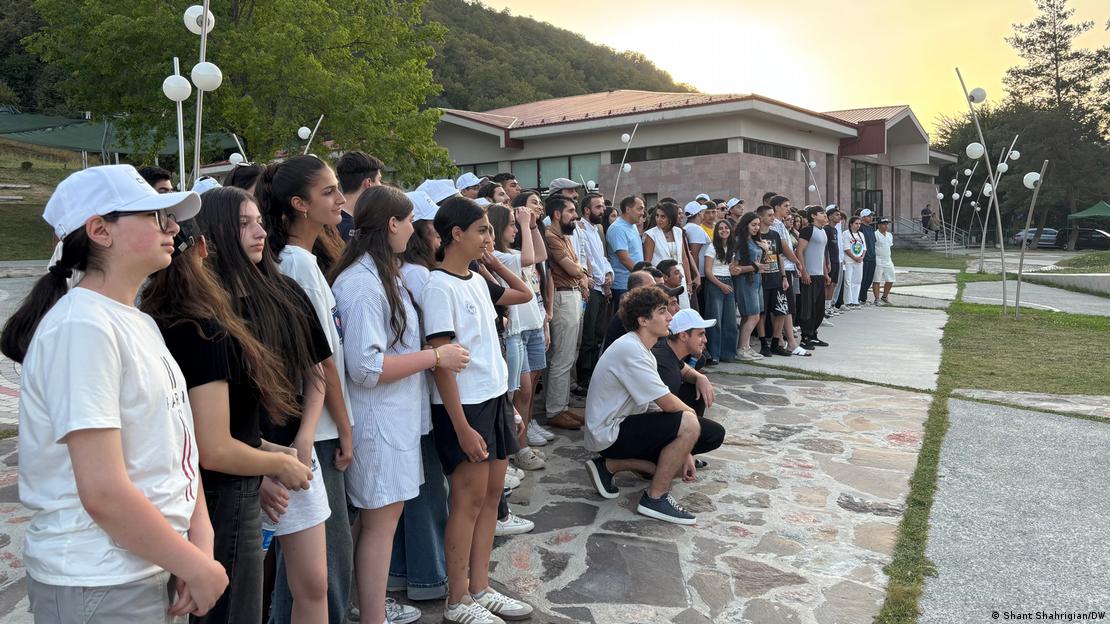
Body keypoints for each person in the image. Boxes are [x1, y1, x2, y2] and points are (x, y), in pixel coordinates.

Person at [1, 165, 228, 622]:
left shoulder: (137, 321)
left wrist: (195, 548)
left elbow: (176, 445)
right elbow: (102, 489)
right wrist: (191, 562)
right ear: (100, 230)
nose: (174, 229)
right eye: (154, 216)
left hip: (152, 565)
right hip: (99, 579)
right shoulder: (81, 327)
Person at [149, 186, 323, 624]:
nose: (259, 232)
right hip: (223, 485)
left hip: (244, 472)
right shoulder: (201, 323)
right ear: (208, 241)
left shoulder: (278, 295)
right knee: (235, 606)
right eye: (243, 224)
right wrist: (267, 463)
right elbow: (209, 441)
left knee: (289, 588)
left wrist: (277, 449)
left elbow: (317, 373)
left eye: (259, 221)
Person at [330, 186, 470, 624]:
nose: (414, 229)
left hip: (394, 419)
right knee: (379, 524)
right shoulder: (362, 284)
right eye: (409, 221)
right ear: (392, 224)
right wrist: (434, 357)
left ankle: (368, 605)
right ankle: (371, 613)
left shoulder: (381, 273)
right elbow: (366, 367)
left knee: (377, 522)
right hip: (379, 423)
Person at [424, 197, 535, 624]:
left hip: (493, 397)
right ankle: (457, 599)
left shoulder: (474, 278)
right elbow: (443, 363)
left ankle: (480, 586)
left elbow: (522, 295)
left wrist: (489, 264)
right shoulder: (439, 286)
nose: (489, 237)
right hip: (465, 407)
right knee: (467, 501)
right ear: (457, 234)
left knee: (493, 496)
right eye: (483, 230)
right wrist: (460, 426)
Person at [256, 156, 355, 624]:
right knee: (324, 560)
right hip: (313, 431)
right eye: (329, 192)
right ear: (299, 204)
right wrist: (347, 427)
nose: (340, 199)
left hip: (315, 424)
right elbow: (322, 360)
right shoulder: (297, 263)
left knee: (308, 564)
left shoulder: (302, 259)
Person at [582, 287, 703, 525]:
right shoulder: (631, 349)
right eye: (662, 311)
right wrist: (688, 432)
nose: (670, 317)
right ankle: (655, 498)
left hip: (619, 426)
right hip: (608, 433)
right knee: (689, 423)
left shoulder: (641, 348)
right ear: (643, 320)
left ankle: (610, 466)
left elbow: (655, 405)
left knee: (697, 435)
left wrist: (686, 449)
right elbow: (667, 403)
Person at [390, 190, 452, 604]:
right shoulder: (419, 276)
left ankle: (401, 573)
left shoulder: (399, 270)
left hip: (410, 396)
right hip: (420, 395)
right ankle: (429, 576)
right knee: (427, 492)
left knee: (410, 494)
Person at [487, 203, 548, 467]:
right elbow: (527, 259)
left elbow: (540, 255)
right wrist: (525, 224)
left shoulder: (512, 252)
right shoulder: (498, 257)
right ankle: (512, 453)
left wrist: (532, 226)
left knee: (526, 392)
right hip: (515, 330)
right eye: (511, 224)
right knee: (515, 392)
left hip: (532, 324)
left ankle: (521, 448)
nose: (515, 229)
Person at [651, 310, 727, 459]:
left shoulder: (669, 351)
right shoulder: (663, 363)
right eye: (700, 334)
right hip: (646, 425)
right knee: (715, 434)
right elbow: (658, 410)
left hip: (660, 417)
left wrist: (700, 378)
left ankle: (680, 452)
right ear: (684, 336)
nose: (705, 340)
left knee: (695, 388)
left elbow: (684, 370)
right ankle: (661, 459)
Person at [543, 194, 589, 431]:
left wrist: (581, 274)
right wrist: (581, 274)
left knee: (565, 356)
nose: (575, 215)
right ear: (557, 214)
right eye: (571, 211)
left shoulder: (564, 235)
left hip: (571, 295)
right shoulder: (551, 236)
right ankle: (555, 411)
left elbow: (577, 268)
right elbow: (572, 268)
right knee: (562, 357)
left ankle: (560, 406)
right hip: (562, 296)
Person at [574, 193, 613, 392]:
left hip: (601, 285)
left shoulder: (597, 229)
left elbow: (602, 257)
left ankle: (593, 375)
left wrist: (608, 274)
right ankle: (583, 379)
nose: (603, 210)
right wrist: (601, 280)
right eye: (598, 207)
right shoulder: (579, 229)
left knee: (598, 335)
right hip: (591, 287)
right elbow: (586, 258)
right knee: (588, 337)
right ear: (587, 210)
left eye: (603, 207)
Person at [730, 213, 768, 360]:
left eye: (758, 225)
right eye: (753, 225)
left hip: (756, 281)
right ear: (745, 225)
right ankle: (742, 348)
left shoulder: (753, 240)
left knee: (751, 315)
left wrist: (765, 250)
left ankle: (745, 346)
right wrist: (754, 267)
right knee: (753, 316)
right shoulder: (739, 241)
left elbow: (761, 264)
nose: (756, 228)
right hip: (746, 282)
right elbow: (736, 268)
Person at [644, 202, 693, 309]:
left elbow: (684, 258)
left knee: (683, 308)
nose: (659, 219)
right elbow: (647, 262)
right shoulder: (650, 234)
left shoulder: (678, 231)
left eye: (663, 216)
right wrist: (654, 282)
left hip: (679, 277)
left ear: (671, 218)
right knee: (666, 308)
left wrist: (689, 281)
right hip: (661, 278)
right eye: (657, 216)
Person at [701, 218, 736, 363]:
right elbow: (707, 272)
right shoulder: (712, 248)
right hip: (715, 283)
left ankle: (728, 354)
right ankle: (714, 354)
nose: (724, 231)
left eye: (726, 228)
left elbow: (731, 268)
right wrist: (721, 285)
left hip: (729, 281)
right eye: (720, 228)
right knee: (716, 320)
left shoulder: (732, 247)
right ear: (717, 232)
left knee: (730, 320)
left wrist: (736, 269)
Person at [796, 206, 830, 349]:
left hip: (819, 275)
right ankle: (805, 337)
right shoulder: (807, 230)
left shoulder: (823, 232)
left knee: (818, 308)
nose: (825, 215)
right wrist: (804, 272)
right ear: (813, 216)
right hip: (809, 275)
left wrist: (825, 273)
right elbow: (800, 251)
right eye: (822, 213)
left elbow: (821, 254)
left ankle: (813, 335)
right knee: (807, 308)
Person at [606, 195, 646, 311]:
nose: (642, 213)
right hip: (623, 286)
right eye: (640, 209)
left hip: (635, 283)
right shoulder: (617, 228)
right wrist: (643, 276)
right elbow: (624, 258)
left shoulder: (632, 226)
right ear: (628, 209)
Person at [335, 151, 384, 240]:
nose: (381, 185)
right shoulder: (336, 225)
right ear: (368, 183)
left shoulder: (329, 221)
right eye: (379, 180)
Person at [841, 216, 867, 308]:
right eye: (856, 223)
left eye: (859, 223)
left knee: (857, 280)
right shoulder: (846, 234)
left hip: (859, 261)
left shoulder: (861, 234)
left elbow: (864, 248)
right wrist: (854, 257)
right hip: (849, 261)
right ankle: (848, 301)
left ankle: (855, 300)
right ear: (851, 224)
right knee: (848, 280)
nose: (858, 225)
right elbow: (846, 248)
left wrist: (861, 257)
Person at [823, 206, 843, 320]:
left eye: (839, 215)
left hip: (836, 261)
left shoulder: (835, 230)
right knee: (828, 284)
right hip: (829, 261)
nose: (839, 217)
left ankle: (829, 306)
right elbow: (825, 248)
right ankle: (824, 308)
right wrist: (827, 262)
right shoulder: (826, 229)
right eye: (836, 215)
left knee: (834, 284)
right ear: (830, 217)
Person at [871, 218, 896, 305]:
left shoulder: (889, 235)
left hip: (888, 258)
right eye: (884, 224)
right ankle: (876, 299)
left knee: (891, 278)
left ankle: (884, 296)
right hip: (878, 259)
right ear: (879, 225)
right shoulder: (875, 234)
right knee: (877, 279)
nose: (886, 226)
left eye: (887, 224)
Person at [857, 209, 877, 304]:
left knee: (869, 279)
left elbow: (873, 242)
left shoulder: (871, 228)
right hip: (864, 257)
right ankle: (859, 297)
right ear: (863, 217)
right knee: (862, 278)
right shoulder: (860, 228)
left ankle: (863, 297)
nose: (871, 217)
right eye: (869, 216)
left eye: (871, 216)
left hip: (872, 257)